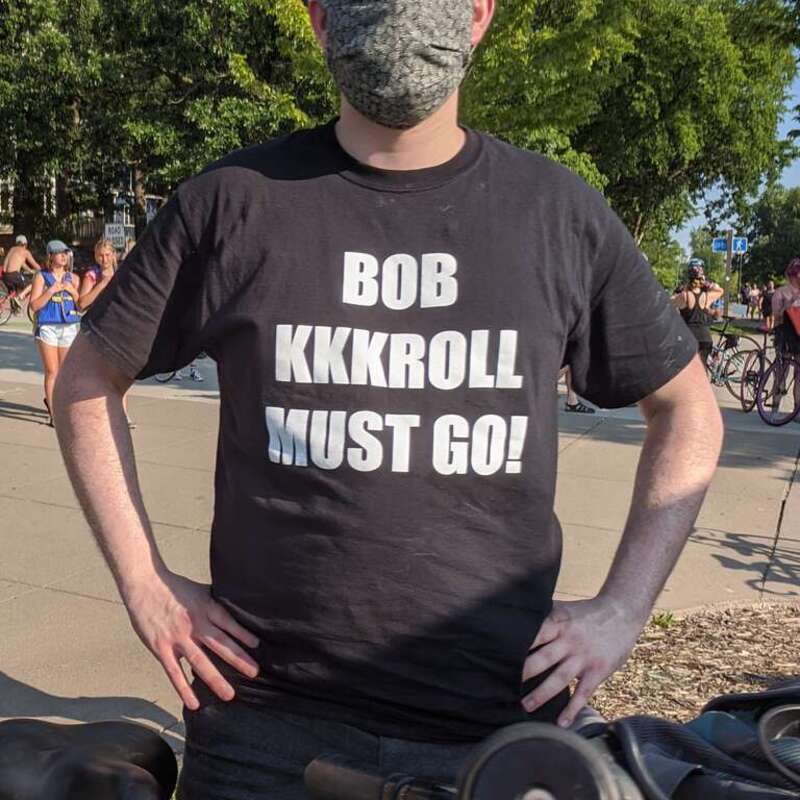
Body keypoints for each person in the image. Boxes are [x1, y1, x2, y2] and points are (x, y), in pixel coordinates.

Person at [53, 2, 722, 798]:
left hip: (493, 728)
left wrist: (622, 610)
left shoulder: (558, 215)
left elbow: (689, 412)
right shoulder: (232, 202)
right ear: (318, 18)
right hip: (261, 727)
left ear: (478, 14)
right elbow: (87, 382)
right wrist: (146, 583)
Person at [78, 239, 137, 429]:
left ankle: (122, 414)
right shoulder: (92, 276)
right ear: (96, 257)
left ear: (113, 254)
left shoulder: (122, 273)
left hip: (120, 326)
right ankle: (97, 414)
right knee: (100, 376)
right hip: (98, 328)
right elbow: (82, 303)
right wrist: (102, 284)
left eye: (107, 254)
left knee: (121, 373)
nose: (104, 259)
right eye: (100, 255)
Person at [29, 240, 81, 427]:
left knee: (65, 373)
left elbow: (80, 304)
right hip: (48, 326)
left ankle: (63, 406)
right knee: (53, 371)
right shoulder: (42, 277)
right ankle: (54, 413)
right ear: (50, 256)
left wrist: (73, 292)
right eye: (59, 253)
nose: (63, 256)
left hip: (68, 326)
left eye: (65, 252)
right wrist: (51, 291)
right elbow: (34, 305)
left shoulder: (73, 278)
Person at [671, 259, 723, 370]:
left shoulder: (684, 296)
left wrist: (684, 288)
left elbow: (667, 303)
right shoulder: (707, 296)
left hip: (689, 338)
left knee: (687, 372)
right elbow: (720, 290)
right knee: (702, 371)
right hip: (705, 338)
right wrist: (707, 283)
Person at [1, 234, 41, 302]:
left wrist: (30, 271)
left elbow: (22, 264)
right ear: (25, 244)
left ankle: (11, 302)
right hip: (14, 275)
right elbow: (35, 265)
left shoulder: (12, 249)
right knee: (33, 283)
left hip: (5, 276)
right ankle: (19, 297)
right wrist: (44, 271)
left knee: (14, 290)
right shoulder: (25, 252)